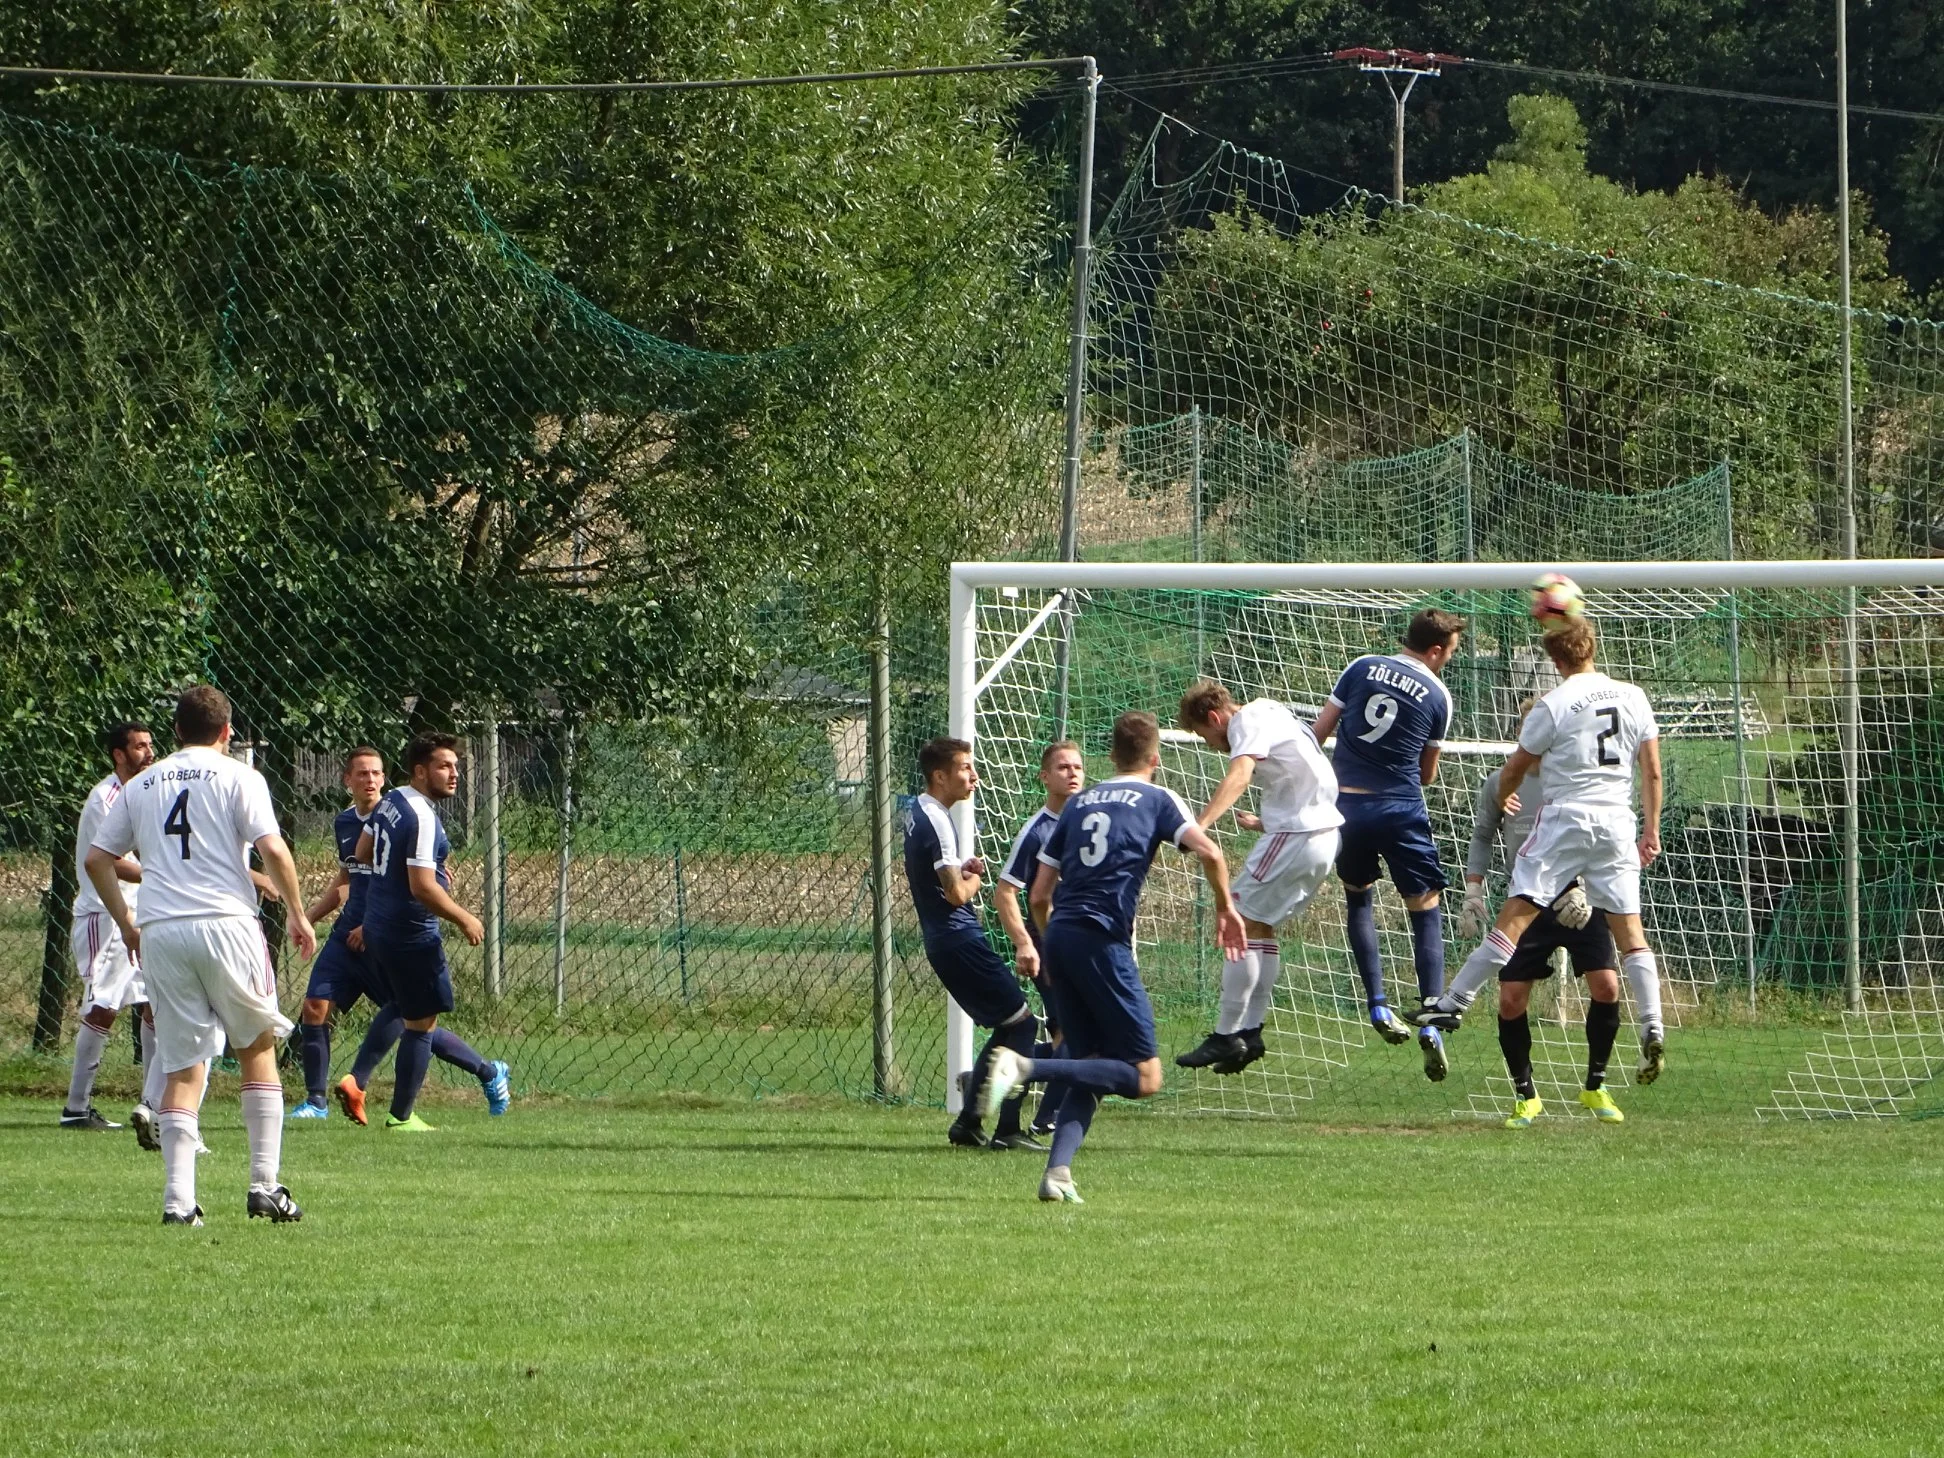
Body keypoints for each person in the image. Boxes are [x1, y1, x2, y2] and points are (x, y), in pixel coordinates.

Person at [983, 711, 1247, 1203]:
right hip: (1102, 940)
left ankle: (1057, 1173)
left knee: (1090, 1065)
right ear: (1155, 758)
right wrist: (1225, 908)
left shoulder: (1078, 804)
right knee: (1146, 1077)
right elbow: (1210, 853)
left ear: (1110, 756)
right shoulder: (1157, 797)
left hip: (1060, 936)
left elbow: (1039, 896)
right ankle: (1025, 1068)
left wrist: (1054, 947)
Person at [84, 684, 315, 1225]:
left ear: (175, 731)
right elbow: (272, 847)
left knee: (182, 1067)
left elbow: (97, 858)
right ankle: (264, 1185)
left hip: (163, 930)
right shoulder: (240, 776)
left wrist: (128, 923)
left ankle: (179, 1203)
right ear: (227, 731)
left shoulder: (142, 784)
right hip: (227, 924)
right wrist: (298, 913)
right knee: (257, 1049)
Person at [1414, 618, 1667, 1088]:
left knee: (1513, 918)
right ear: (1593, 647)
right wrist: (1650, 830)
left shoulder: (1553, 703)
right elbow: (1651, 771)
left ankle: (1454, 1002)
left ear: (1554, 659)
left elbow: (1515, 768)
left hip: (1566, 819)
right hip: (1617, 821)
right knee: (1632, 935)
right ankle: (1652, 1023)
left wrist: (1503, 794)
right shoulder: (1634, 696)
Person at [1311, 608, 1467, 1081]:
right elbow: (1426, 774)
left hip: (1347, 806)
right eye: (1450, 652)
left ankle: (1377, 1004)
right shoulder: (1437, 695)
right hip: (1399, 810)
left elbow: (1318, 733)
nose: (1449, 660)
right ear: (1435, 650)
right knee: (1425, 906)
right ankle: (1432, 1018)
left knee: (1358, 897)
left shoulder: (1361, 667)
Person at [1173, 682, 1342, 1074]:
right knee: (1260, 927)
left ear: (1214, 717)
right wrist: (1266, 822)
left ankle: (1225, 1035)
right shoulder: (1271, 709)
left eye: (1205, 734)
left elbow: (1240, 775)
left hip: (1298, 835)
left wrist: (1199, 826)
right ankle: (1250, 1032)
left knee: (1237, 918)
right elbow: (1306, 777)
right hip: (1325, 836)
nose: (1212, 744)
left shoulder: (1245, 721)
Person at [1462, 742, 1626, 1126]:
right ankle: (1526, 1096)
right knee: (1510, 999)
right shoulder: (1501, 782)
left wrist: (1585, 884)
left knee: (1607, 987)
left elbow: (1600, 836)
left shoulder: (1577, 781)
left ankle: (1596, 1086)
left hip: (1578, 898)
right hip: (1525, 900)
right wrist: (1473, 891)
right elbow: (1482, 835)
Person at [355, 732, 510, 1132]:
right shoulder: (422, 816)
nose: (454, 773)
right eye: (444, 766)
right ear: (420, 771)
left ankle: (358, 1080)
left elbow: (363, 852)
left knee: (405, 1008)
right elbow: (422, 887)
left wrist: (424, 866)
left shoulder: (392, 799)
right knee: (421, 1023)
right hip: (410, 933)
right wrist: (464, 918)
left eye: (456, 766)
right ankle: (401, 1117)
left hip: (378, 926)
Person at [904, 737, 1042, 1150]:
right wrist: (975, 879)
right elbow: (955, 895)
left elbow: (937, 877)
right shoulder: (937, 820)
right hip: (957, 938)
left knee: (1009, 1025)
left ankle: (969, 1121)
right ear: (940, 775)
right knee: (1023, 1024)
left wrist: (960, 871)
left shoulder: (920, 811)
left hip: (946, 941)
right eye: (965, 767)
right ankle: (1007, 1129)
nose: (974, 776)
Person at [63, 722, 160, 1134]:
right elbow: (111, 861)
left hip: (141, 914)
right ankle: (76, 1107)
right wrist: (163, 871)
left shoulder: (145, 792)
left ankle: (153, 1104)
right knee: (103, 1007)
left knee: (156, 1003)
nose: (149, 752)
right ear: (119, 755)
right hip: (103, 916)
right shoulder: (105, 798)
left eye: (150, 745)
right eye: (139, 746)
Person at [286, 747, 389, 1120]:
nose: (370, 780)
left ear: (384, 779)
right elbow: (346, 878)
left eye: (376, 773)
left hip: (382, 938)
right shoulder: (345, 822)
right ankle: (316, 1101)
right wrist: (307, 917)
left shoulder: (395, 821)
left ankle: (485, 1070)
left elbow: (410, 881)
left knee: (415, 1018)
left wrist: (370, 925)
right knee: (315, 1006)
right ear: (348, 780)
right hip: (346, 937)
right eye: (362, 773)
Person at [995, 741, 1086, 1135]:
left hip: (1082, 945)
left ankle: (991, 1069)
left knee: (1083, 1038)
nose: (1072, 773)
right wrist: (1024, 943)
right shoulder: (1037, 831)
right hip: (1049, 946)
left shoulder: (1088, 823)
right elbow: (1005, 891)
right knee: (1074, 1033)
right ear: (1044, 777)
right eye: (1063, 767)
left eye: (1077, 766)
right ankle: (1046, 1119)